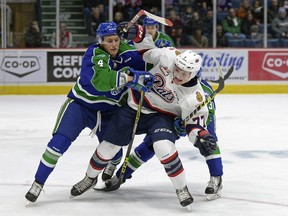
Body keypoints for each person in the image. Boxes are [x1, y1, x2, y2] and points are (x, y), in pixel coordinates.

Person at [70, 24, 218, 208]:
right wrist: (138, 33)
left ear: (194, 74)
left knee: (163, 147)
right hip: (135, 105)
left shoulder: (194, 97)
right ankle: (89, 178)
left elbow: (192, 126)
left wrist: (203, 137)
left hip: (161, 117)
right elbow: (146, 49)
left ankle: (181, 188)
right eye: (177, 68)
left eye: (184, 73)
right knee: (108, 146)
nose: (177, 74)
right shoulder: (169, 57)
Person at [25, 21, 154, 204]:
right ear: (100, 41)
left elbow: (152, 61)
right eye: (109, 41)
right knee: (57, 144)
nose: (114, 44)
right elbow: (99, 81)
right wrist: (131, 77)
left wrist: (143, 37)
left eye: (116, 40)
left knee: (114, 152)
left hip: (108, 111)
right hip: (80, 106)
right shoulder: (95, 53)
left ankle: (109, 168)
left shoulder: (128, 52)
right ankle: (38, 183)